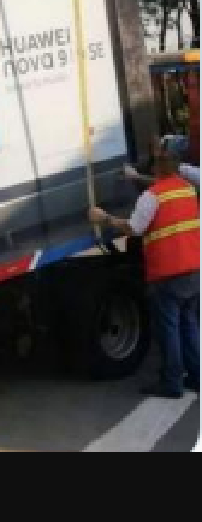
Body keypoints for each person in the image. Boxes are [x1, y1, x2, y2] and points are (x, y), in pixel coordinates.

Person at [89, 149, 199, 399]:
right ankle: (196, 376)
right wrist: (136, 176)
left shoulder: (152, 197)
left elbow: (133, 228)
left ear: (156, 169)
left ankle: (172, 382)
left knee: (169, 329)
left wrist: (104, 218)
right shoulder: (187, 189)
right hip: (193, 270)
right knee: (189, 325)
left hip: (168, 273)